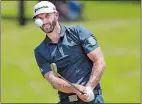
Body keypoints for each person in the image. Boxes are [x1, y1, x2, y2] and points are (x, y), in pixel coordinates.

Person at [33, 1, 106, 104]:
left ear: (56, 15)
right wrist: (76, 89)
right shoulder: (40, 51)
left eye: (47, 16)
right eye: (39, 18)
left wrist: (89, 87)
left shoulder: (78, 32)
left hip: (92, 99)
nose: (44, 21)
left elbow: (99, 61)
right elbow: (53, 81)